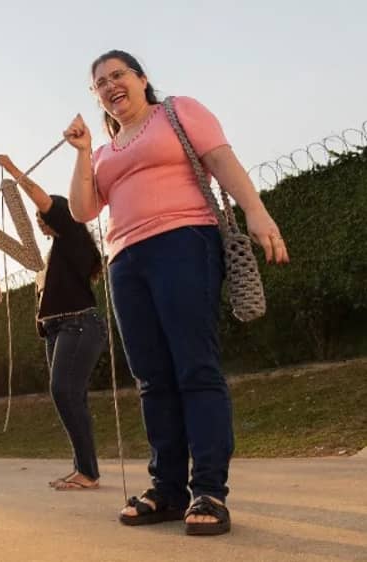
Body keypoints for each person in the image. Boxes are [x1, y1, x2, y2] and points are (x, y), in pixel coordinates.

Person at [62, 50, 290, 536]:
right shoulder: (103, 153)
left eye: (117, 75)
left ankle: (208, 489)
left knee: (195, 366)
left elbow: (222, 160)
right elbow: (83, 210)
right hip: (125, 261)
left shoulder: (178, 112)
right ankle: (166, 490)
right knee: (152, 378)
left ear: (142, 79)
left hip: (185, 241)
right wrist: (83, 153)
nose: (108, 86)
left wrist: (257, 211)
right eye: (99, 83)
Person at [0, 154, 106, 492]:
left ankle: (86, 471)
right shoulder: (56, 252)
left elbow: (42, 199)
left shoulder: (71, 231)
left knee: (63, 392)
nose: (40, 222)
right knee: (72, 396)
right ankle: (84, 470)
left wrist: (14, 170)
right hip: (58, 330)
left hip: (78, 325)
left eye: (43, 217)